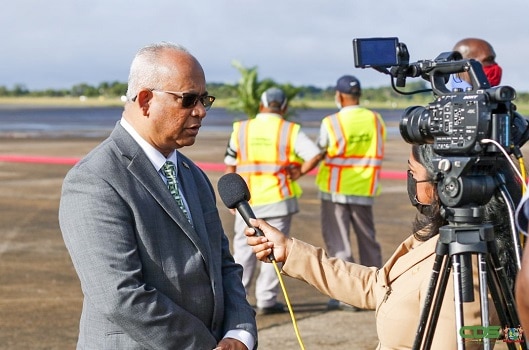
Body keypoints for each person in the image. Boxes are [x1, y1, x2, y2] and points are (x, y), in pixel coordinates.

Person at [59, 42, 257, 350]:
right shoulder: (95, 179)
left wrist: (239, 333)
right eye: (188, 99)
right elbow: (119, 295)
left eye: (204, 99)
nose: (201, 111)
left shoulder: (193, 175)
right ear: (146, 100)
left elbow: (224, 265)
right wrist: (205, 346)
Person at [245, 143, 518, 349]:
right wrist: (290, 250)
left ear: (446, 186)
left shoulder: (463, 267)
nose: (409, 181)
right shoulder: (442, 236)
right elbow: (377, 286)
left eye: (413, 173)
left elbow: (464, 336)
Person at [224, 87, 322, 315]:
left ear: (261, 105)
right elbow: (314, 154)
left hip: (246, 202)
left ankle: (239, 300)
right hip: (279, 198)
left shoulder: (242, 129)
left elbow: (230, 163)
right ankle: (267, 301)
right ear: (284, 107)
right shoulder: (289, 130)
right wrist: (298, 173)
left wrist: (232, 197)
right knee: (273, 250)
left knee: (243, 251)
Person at [315, 75, 386, 309]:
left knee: (339, 244)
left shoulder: (331, 122)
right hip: (364, 187)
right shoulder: (376, 120)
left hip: (336, 189)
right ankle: (378, 291)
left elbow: (320, 151)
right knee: (369, 241)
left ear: (339, 95)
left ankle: (348, 297)